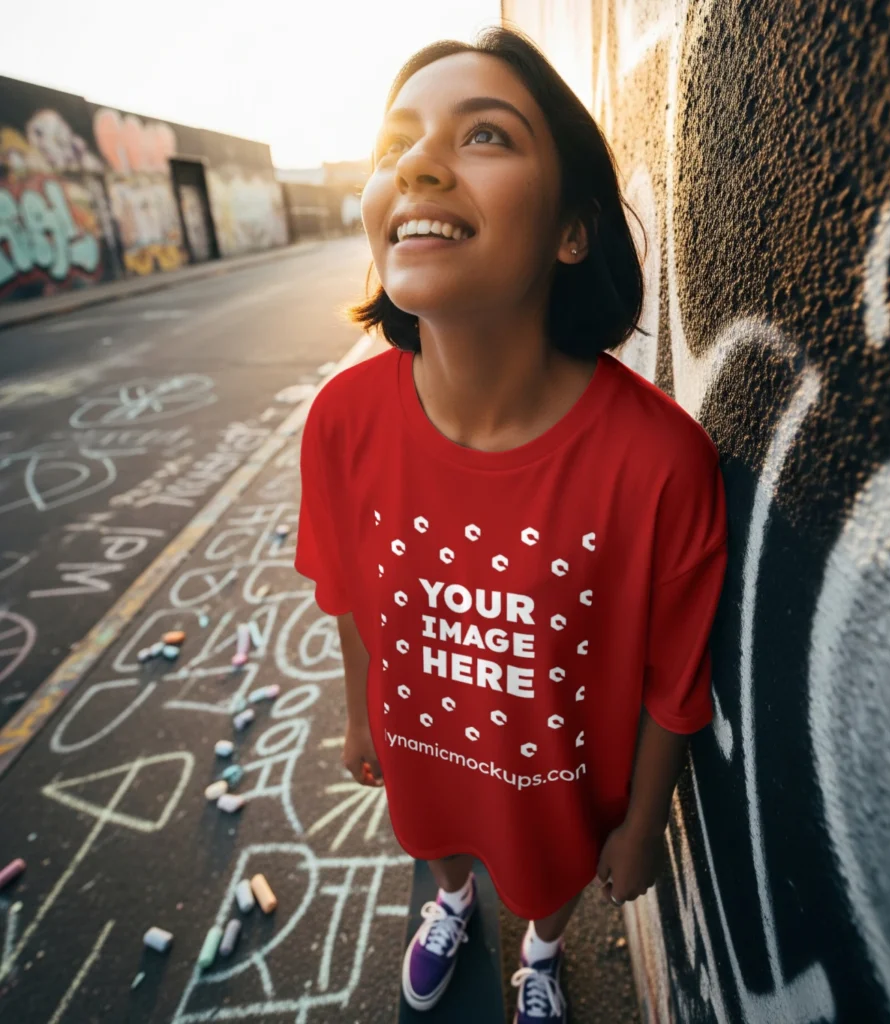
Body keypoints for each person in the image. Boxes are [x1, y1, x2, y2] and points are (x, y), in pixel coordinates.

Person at [295, 26, 727, 1023]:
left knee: (544, 883)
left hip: (558, 792)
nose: (417, 164)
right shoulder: (342, 421)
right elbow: (347, 593)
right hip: (421, 750)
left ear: (571, 230)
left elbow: (673, 682)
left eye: (483, 135)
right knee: (441, 843)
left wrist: (644, 817)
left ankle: (538, 953)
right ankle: (449, 905)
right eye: (395, 141)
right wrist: (360, 712)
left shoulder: (658, 461)